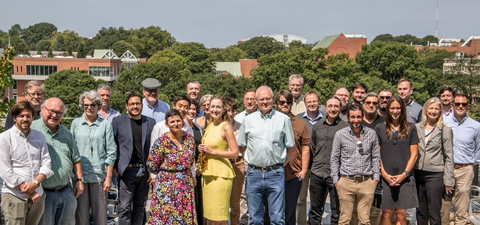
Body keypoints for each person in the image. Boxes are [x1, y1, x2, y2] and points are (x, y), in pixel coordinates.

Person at [238, 86, 295, 225]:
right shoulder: (248, 120)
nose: (265, 102)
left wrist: (280, 165)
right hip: (253, 173)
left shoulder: (283, 119)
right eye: (261, 99)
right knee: (255, 218)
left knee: (277, 218)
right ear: (256, 101)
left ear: (273, 99)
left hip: (275, 173)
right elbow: (242, 145)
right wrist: (253, 159)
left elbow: (291, 148)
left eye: (268, 98)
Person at [31, 98, 84, 225]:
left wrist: (80, 180)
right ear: (43, 109)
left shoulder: (66, 132)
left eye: (59, 113)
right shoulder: (32, 130)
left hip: (66, 192)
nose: (54, 115)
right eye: (51, 111)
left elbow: (76, 158)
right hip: (43, 193)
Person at [0, 101, 54, 225]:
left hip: (37, 196)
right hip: (15, 195)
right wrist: (30, 191)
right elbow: (5, 171)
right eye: (21, 116)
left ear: (32, 117)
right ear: (14, 118)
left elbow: (46, 164)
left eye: (28, 116)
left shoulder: (39, 137)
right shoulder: (4, 138)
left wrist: (35, 184)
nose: (25, 119)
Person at [70, 90, 116, 225]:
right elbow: (72, 151)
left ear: (98, 106)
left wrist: (108, 178)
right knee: (81, 215)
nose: (89, 108)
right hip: (80, 176)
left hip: (99, 176)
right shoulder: (75, 124)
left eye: (93, 105)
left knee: (100, 216)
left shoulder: (105, 125)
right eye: (86, 105)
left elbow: (111, 152)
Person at [331, 104, 381, 224]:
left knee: (365, 220)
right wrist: (336, 181)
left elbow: (376, 157)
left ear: (362, 117)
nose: (356, 120)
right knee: (344, 219)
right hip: (346, 181)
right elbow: (334, 158)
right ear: (348, 117)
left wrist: (375, 179)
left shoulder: (371, 134)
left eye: (359, 117)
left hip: (366, 182)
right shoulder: (340, 134)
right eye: (353, 117)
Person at [112, 93, 156, 225]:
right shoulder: (118, 121)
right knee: (124, 207)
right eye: (132, 104)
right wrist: (115, 167)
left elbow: (153, 148)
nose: (135, 106)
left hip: (143, 172)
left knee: (140, 207)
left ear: (142, 105)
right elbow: (111, 145)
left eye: (137, 103)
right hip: (126, 171)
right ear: (127, 106)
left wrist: (151, 171)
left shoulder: (150, 122)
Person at [147, 109, 197, 224]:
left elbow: (191, 160)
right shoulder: (162, 142)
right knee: (166, 216)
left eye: (178, 121)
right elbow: (151, 164)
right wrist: (165, 169)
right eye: (172, 122)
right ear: (167, 124)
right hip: (167, 185)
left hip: (185, 184)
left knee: (184, 216)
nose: (176, 124)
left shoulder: (189, 139)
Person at [375, 96, 419, 225]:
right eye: (392, 108)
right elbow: (376, 155)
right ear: (388, 109)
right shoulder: (379, 128)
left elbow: (414, 155)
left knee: (401, 214)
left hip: (405, 177)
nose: (395, 111)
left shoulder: (411, 128)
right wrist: (384, 175)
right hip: (385, 177)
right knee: (386, 213)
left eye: (398, 108)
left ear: (403, 109)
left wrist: (404, 174)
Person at [198, 96, 239, 225]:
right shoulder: (209, 125)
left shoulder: (226, 127)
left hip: (221, 175)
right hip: (208, 174)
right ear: (208, 108)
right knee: (209, 215)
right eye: (213, 107)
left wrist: (213, 151)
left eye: (218, 107)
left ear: (223, 109)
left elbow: (235, 153)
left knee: (218, 217)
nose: (215, 110)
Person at [414, 97, 454, 225]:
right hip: (418, 173)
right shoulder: (416, 128)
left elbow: (449, 156)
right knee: (420, 211)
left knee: (434, 211)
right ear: (425, 110)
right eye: (431, 108)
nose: (433, 111)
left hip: (435, 174)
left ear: (440, 111)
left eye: (437, 109)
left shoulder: (445, 130)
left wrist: (449, 180)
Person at [309, 96, 348, 225]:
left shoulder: (345, 127)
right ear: (325, 108)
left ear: (340, 108)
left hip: (336, 175)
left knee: (336, 211)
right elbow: (313, 147)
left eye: (336, 106)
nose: (333, 109)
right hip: (317, 173)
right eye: (330, 106)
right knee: (315, 211)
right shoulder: (318, 125)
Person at [442, 93, 480, 224]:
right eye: (457, 104)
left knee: (462, 209)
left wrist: (470, 165)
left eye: (463, 104)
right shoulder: (444, 124)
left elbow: (478, 149)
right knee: (444, 208)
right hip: (446, 169)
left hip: (465, 169)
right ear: (452, 105)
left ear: (468, 106)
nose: (460, 106)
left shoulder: (476, 126)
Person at [274, 90, 310, 225]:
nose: (285, 105)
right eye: (282, 102)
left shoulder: (300, 123)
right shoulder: (270, 122)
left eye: (288, 102)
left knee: (290, 212)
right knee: (272, 211)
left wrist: (304, 170)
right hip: (273, 174)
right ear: (276, 104)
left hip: (293, 175)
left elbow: (306, 147)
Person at [296, 91, 324, 225]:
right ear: (305, 103)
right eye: (309, 102)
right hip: (302, 165)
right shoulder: (298, 119)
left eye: (314, 101)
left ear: (319, 102)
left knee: (317, 199)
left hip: (320, 165)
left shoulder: (326, 119)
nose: (312, 104)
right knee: (300, 199)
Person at [233, 89, 257, 224]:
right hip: (241, 160)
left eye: (252, 99)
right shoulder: (238, 118)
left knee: (255, 192)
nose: (249, 102)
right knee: (242, 193)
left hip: (256, 160)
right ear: (243, 101)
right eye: (247, 99)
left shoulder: (262, 116)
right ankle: (243, 219)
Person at [185, 98, 205, 225]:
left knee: (198, 203)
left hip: (198, 171)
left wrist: (199, 167)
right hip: (186, 172)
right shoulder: (180, 127)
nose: (191, 111)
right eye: (189, 108)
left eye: (194, 109)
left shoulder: (198, 128)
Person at [225, 97, 245, 225]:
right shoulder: (219, 126)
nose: (231, 114)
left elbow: (243, 148)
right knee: (222, 202)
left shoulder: (240, 126)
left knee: (236, 202)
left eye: (233, 111)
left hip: (237, 163)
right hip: (223, 164)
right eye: (228, 111)